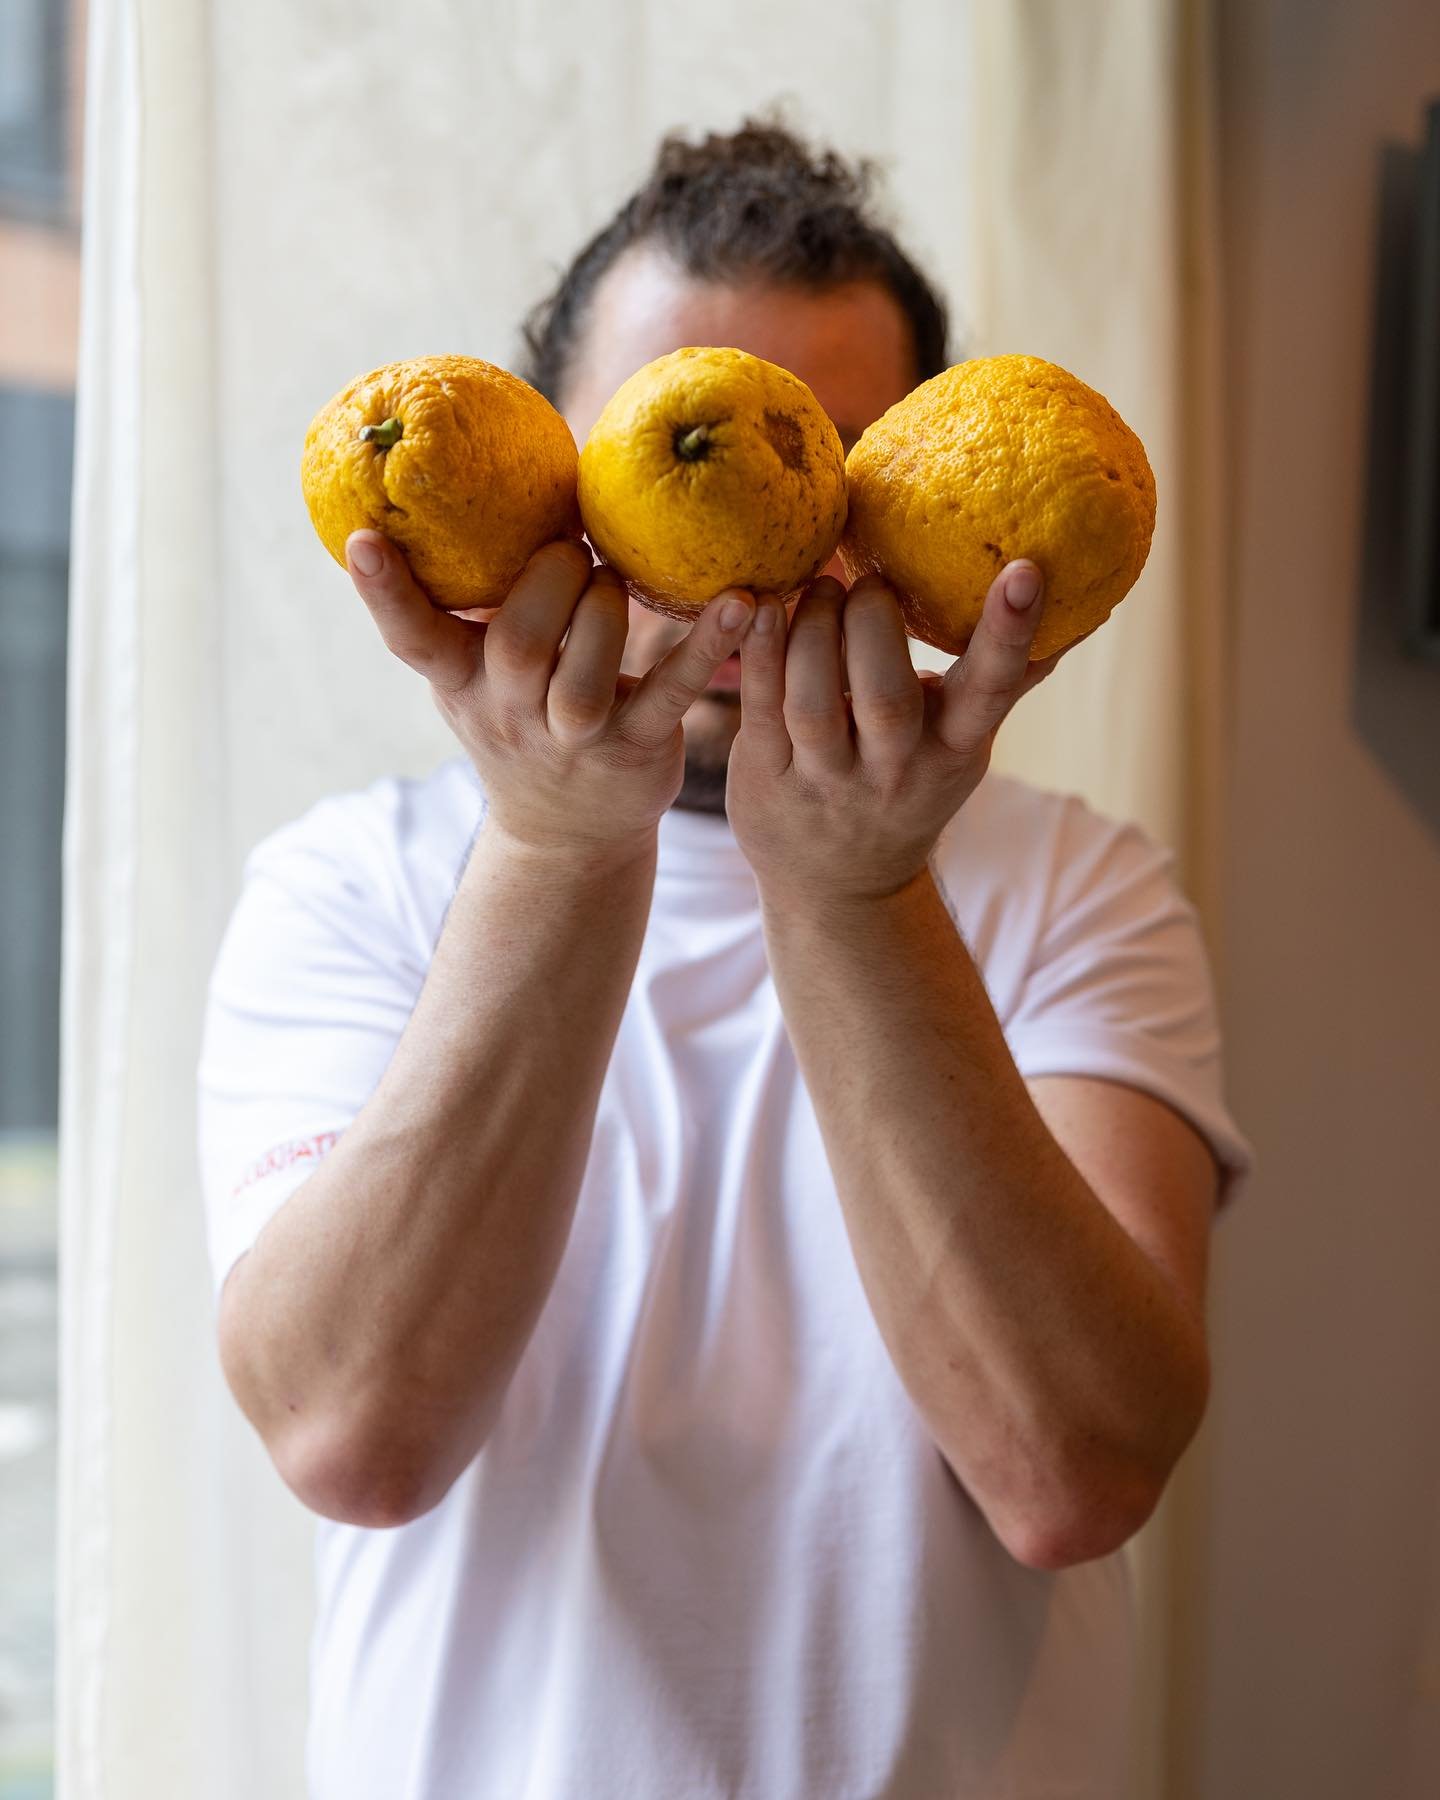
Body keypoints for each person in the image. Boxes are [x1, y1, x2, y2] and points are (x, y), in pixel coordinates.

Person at [198, 121, 1254, 1800]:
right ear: (542, 481)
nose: (750, 563)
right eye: (671, 447)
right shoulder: (350, 887)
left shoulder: (1078, 886)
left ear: (920, 506)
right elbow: (351, 1430)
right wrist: (554, 842)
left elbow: (1075, 1467)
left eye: (812, 465)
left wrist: (849, 894)